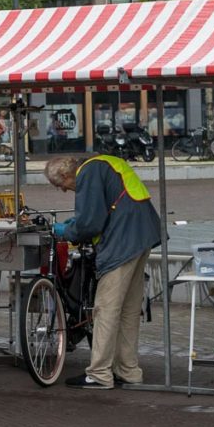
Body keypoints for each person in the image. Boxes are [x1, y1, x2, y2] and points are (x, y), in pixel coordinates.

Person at [44, 154, 161, 389]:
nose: (64, 192)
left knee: (105, 308)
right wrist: (76, 224)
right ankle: (128, 370)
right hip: (142, 236)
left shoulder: (88, 172)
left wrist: (66, 231)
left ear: (66, 175)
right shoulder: (102, 164)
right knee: (128, 308)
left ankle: (99, 374)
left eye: (60, 186)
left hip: (122, 242)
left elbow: (90, 223)